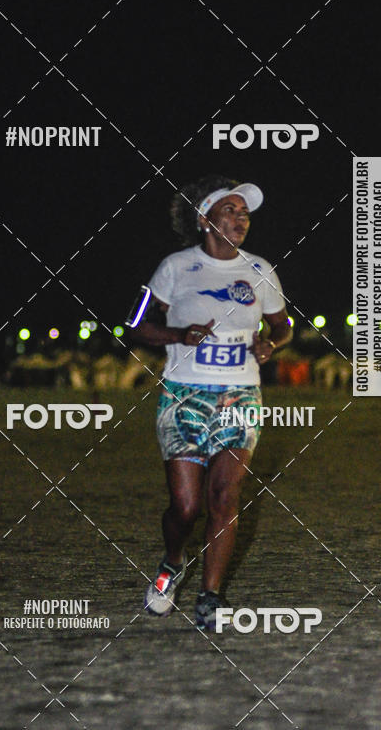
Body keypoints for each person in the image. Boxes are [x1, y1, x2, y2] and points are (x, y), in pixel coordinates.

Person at [130, 175, 292, 631]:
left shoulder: (260, 269)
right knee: (185, 507)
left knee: (224, 497)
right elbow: (135, 325)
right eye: (230, 210)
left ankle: (211, 597)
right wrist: (178, 335)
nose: (241, 219)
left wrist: (271, 344)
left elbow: (283, 325)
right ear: (205, 219)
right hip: (184, 394)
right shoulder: (175, 267)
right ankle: (173, 561)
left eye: (245, 213)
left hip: (240, 394)